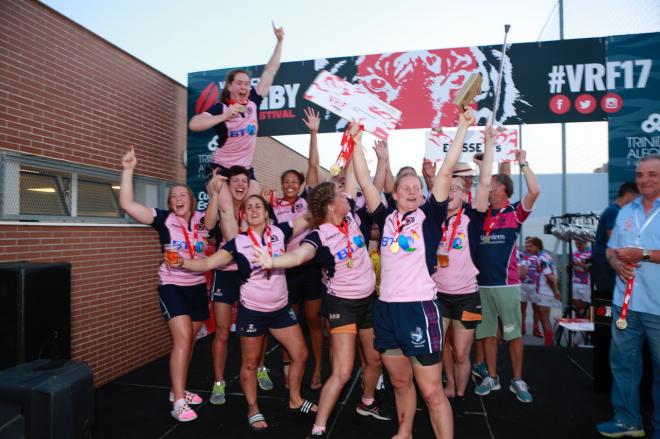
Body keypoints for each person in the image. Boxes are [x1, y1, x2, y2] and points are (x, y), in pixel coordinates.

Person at [352, 108, 475, 439]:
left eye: (416, 187)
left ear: (423, 193)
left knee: (432, 391)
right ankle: (404, 432)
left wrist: (461, 128)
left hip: (419, 308)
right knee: (399, 380)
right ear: (394, 194)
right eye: (404, 187)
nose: (410, 191)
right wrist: (355, 141)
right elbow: (364, 179)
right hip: (386, 309)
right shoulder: (387, 216)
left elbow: (447, 170)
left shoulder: (429, 216)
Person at [254, 171, 389, 438]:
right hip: (343, 305)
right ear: (330, 206)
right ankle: (318, 427)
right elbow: (299, 255)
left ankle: (367, 402)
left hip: (368, 302)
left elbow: (351, 177)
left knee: (374, 360)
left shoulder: (350, 216)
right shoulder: (319, 236)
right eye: (339, 195)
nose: (346, 195)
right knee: (342, 370)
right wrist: (273, 262)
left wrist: (355, 141)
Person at [171, 194, 317, 431]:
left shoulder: (280, 232)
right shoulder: (238, 242)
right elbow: (208, 264)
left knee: (300, 353)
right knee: (249, 364)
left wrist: (326, 192)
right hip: (253, 312)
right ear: (244, 215)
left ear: (267, 213)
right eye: (249, 207)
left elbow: (309, 216)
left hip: (280, 309)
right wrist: (183, 263)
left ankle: (295, 398)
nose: (253, 210)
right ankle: (253, 408)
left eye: (258, 206)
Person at [119, 145, 209, 422]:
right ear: (170, 203)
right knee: (182, 339)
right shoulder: (163, 219)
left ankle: (175, 390)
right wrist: (128, 169)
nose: (178, 198)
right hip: (171, 286)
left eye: (183, 194)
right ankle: (179, 402)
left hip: (196, 286)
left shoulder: (202, 221)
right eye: (173, 196)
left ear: (191, 200)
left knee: (190, 341)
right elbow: (127, 205)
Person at [596, 154, 660, 438]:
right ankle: (627, 420)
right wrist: (616, 263)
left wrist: (643, 254)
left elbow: (641, 252)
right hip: (625, 305)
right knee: (623, 364)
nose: (645, 180)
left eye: (652, 174)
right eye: (640, 174)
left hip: (658, 307)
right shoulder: (625, 211)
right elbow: (611, 249)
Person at [433, 127, 495, 405]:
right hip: (437, 295)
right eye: (447, 189)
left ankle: (460, 388)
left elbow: (484, 185)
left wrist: (489, 147)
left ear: (464, 194)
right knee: (441, 345)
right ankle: (449, 386)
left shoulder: (472, 217)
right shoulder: (432, 220)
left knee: (461, 351)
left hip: (467, 296)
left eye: (455, 189)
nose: (450, 194)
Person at [473, 149, 541, 403]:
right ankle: (492, 376)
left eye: (491, 186)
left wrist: (523, 162)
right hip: (482, 286)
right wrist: (481, 168)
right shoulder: (481, 213)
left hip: (507, 284)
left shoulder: (514, 212)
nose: (487, 189)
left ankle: (517, 379)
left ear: (501, 189)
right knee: (487, 334)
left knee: (513, 333)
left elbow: (534, 191)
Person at [203, 166, 274, 404]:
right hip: (225, 273)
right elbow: (207, 224)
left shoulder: (254, 207)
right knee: (222, 331)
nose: (240, 185)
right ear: (229, 184)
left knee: (258, 327)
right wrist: (214, 193)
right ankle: (219, 382)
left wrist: (264, 205)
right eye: (236, 181)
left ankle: (260, 367)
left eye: (244, 181)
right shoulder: (222, 204)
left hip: (250, 274)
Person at [268, 107, 325, 391]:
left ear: (301, 185)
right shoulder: (273, 206)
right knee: (287, 320)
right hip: (285, 271)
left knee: (314, 320)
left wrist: (313, 133)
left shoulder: (307, 200)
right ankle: (289, 369)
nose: (290, 185)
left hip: (311, 269)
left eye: (295, 181)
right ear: (281, 186)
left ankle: (316, 369)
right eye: (286, 182)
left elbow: (313, 167)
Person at [188, 23, 284, 191]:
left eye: (247, 84)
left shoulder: (254, 101)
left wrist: (280, 41)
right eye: (239, 83)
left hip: (244, 169)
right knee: (226, 210)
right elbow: (194, 124)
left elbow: (270, 71)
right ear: (230, 87)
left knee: (254, 203)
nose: (244, 87)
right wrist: (225, 117)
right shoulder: (220, 108)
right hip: (220, 167)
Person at [591, 182, 640, 296]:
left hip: (608, 263)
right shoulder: (614, 212)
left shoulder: (617, 211)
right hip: (605, 264)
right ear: (629, 193)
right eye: (637, 197)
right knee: (609, 300)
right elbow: (614, 240)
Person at [526, 237, 561, 347]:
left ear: (537, 246)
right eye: (527, 246)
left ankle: (549, 344)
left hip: (544, 293)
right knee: (545, 319)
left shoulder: (541, 258)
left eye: (530, 246)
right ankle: (549, 342)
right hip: (545, 293)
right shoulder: (545, 256)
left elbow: (549, 277)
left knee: (545, 319)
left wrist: (556, 291)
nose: (527, 248)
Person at [572, 239, 592, 316]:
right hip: (575, 282)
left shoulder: (590, 252)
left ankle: (586, 325)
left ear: (585, 242)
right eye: (576, 244)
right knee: (577, 307)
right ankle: (577, 325)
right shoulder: (574, 252)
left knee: (586, 308)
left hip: (587, 284)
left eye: (580, 244)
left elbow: (591, 269)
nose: (578, 246)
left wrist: (579, 264)